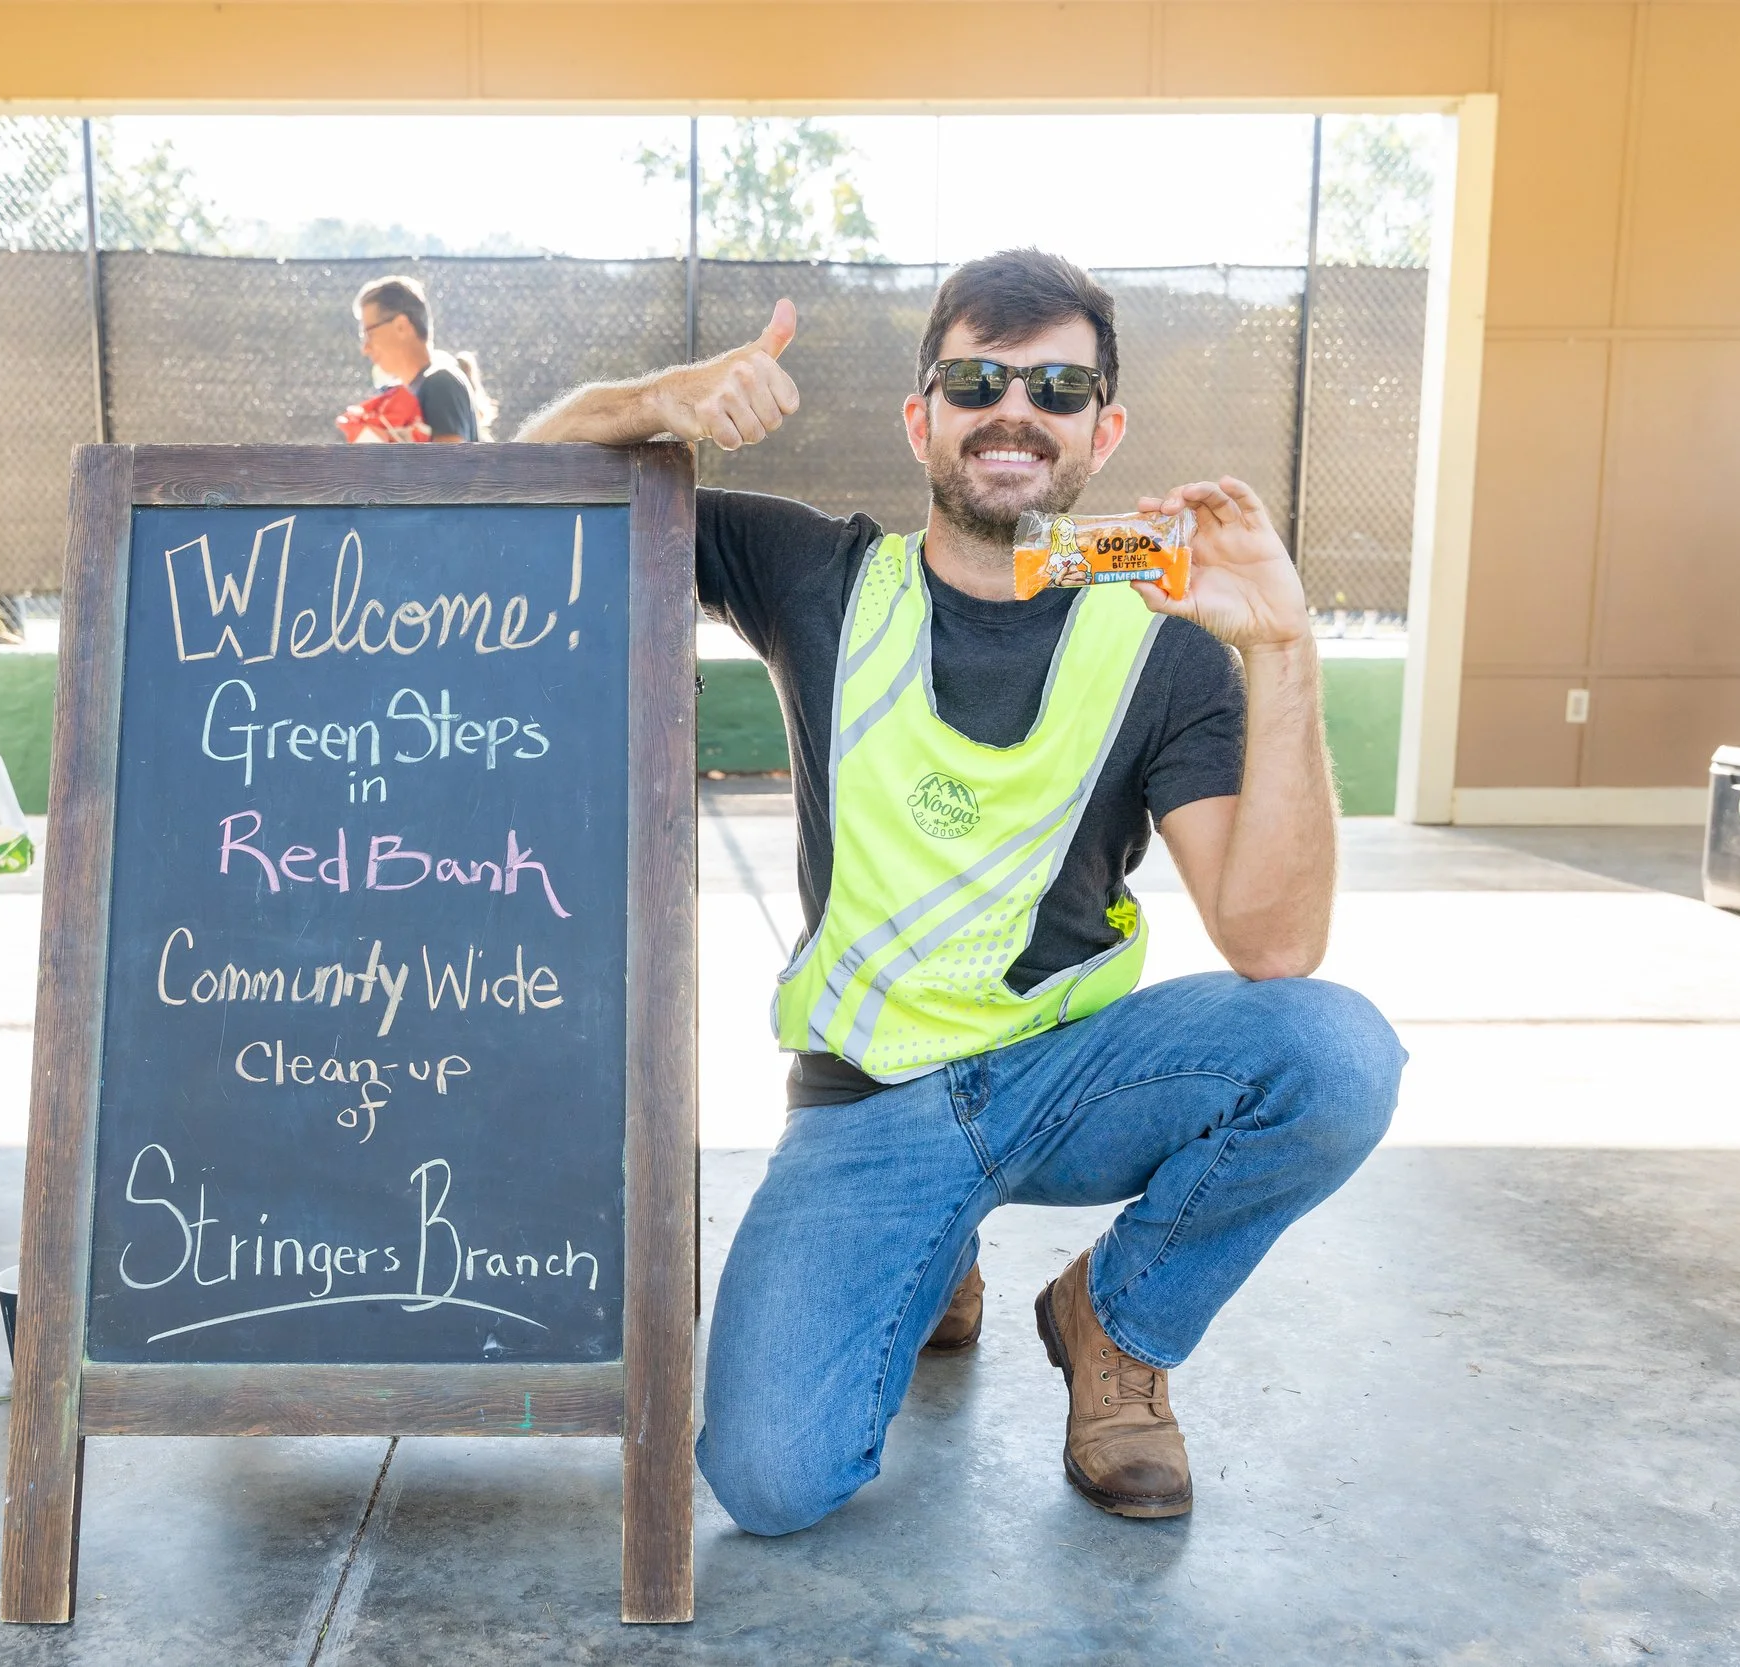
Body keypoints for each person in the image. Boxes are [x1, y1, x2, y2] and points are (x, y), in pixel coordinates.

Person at [521, 249, 1405, 1531]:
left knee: (1333, 1054)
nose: (1014, 411)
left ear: (1103, 429)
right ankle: (934, 1249)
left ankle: (1114, 1320)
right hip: (868, 1103)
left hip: (1065, 1083)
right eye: (977, 378)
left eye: (1055, 385)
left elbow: (1276, 939)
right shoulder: (816, 575)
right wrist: (659, 400)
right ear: (920, 414)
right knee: (772, 1482)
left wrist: (1280, 645)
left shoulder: (1163, 645)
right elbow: (522, 498)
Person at [342, 274, 495, 444]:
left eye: (368, 333)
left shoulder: (440, 383)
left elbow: (450, 467)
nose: (365, 348)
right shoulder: (413, 388)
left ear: (401, 325)